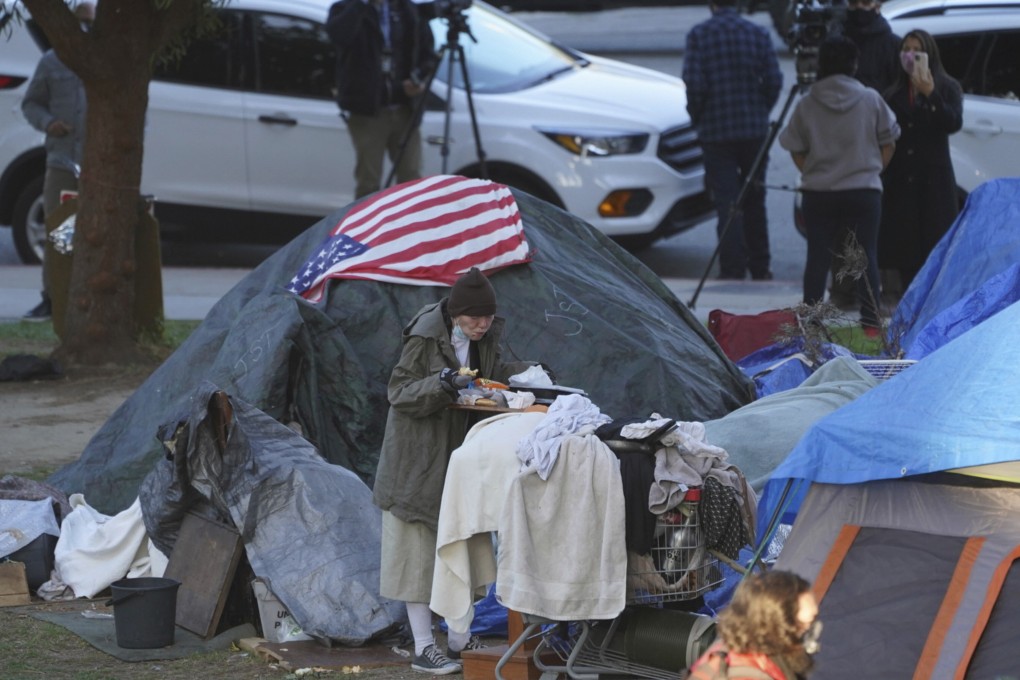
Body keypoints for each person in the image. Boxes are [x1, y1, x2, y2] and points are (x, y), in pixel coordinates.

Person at [373, 267, 539, 674]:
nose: (481, 325)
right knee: (416, 552)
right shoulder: (426, 334)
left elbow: (493, 377)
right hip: (416, 457)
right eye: (473, 318)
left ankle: (460, 637)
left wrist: (529, 375)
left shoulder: (487, 333)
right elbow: (399, 393)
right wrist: (443, 381)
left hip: (460, 455)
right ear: (456, 313)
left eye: (486, 317)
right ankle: (423, 645)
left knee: (463, 541)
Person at [779, 35, 900, 332]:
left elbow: (793, 146)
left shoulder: (808, 103)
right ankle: (871, 323)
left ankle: (811, 321)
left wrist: (812, 169)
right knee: (865, 255)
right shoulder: (870, 98)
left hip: (818, 192)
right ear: (854, 64)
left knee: (818, 257)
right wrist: (872, 169)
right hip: (863, 191)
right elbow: (890, 140)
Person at [683, 0, 783, 281]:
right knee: (755, 197)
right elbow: (774, 80)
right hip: (753, 130)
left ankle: (732, 269)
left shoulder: (699, 35)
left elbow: (695, 84)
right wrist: (760, 111)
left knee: (727, 202)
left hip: (716, 133)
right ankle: (761, 267)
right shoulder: (757, 34)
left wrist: (699, 118)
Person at [19, 1, 94, 322]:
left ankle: (93, 300)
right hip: (62, 159)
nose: (84, 31)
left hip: (98, 162)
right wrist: (49, 123)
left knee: (99, 230)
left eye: (90, 24)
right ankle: (52, 297)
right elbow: (31, 103)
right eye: (79, 23)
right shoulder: (51, 62)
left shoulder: (109, 61)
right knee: (58, 230)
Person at [879, 29, 963, 292]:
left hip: (933, 182)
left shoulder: (947, 87)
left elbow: (952, 122)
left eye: (917, 50)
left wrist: (930, 94)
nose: (911, 56)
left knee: (935, 250)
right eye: (906, 49)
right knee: (905, 254)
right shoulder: (892, 93)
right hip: (901, 183)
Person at [325, 0, 436, 199]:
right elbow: (339, 36)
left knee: (411, 177)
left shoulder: (406, 10)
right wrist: (362, 5)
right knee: (369, 181)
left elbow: (427, 53)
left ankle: (408, 227)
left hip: (404, 108)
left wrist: (418, 78)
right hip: (368, 110)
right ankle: (365, 228)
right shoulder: (346, 8)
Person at [688, 570, 821, 680]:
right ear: (778, 626)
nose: (811, 632)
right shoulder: (745, 675)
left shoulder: (747, 645)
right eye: (806, 625)